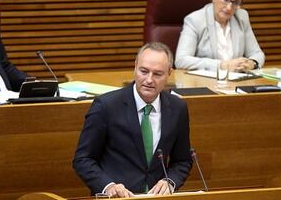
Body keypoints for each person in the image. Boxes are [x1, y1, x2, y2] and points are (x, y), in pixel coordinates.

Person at [73, 42, 192, 197]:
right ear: (135, 67)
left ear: (169, 73)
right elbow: (83, 159)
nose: (149, 80)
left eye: (157, 74)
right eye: (144, 71)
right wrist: (108, 186)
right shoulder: (106, 106)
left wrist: (170, 181)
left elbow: (183, 160)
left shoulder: (178, 108)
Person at [175, 0, 265, 72]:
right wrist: (222, 65)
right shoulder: (195, 20)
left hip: (236, 82)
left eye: (236, 2)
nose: (229, 7)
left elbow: (258, 54)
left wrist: (251, 63)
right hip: (205, 83)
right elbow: (181, 60)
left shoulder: (241, 17)